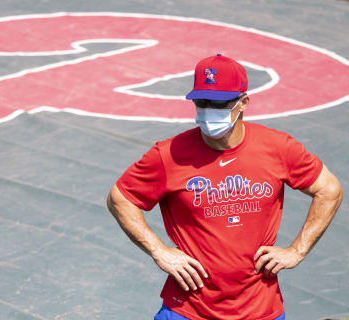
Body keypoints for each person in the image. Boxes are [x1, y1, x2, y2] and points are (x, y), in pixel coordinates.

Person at [106, 54, 343, 320]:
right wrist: (159, 251)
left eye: (218, 103)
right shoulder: (169, 155)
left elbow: (328, 190)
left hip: (260, 310)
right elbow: (121, 198)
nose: (208, 111)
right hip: (188, 311)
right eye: (201, 102)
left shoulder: (278, 148)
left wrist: (297, 250)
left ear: (244, 102)